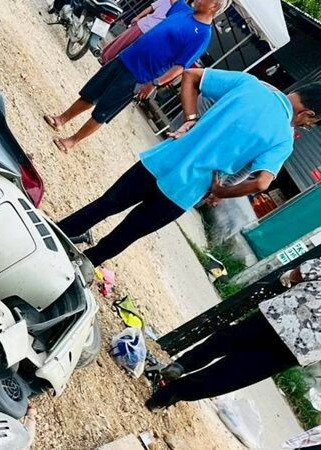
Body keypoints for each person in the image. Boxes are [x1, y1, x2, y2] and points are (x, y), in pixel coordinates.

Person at [56, 69, 321, 267]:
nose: (305, 126)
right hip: (185, 191)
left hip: (161, 161)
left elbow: (191, 75)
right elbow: (262, 183)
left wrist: (191, 119)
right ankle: (79, 266)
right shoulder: (283, 139)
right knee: (126, 234)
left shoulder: (249, 84)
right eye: (310, 123)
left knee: (105, 205)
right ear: (308, 114)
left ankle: (57, 235)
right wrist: (221, 191)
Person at [43, 0, 222, 153]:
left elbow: (180, 67)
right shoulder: (183, 10)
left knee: (104, 110)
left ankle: (72, 141)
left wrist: (155, 83)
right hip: (126, 57)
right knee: (92, 91)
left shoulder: (203, 35)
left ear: (214, 6)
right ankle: (61, 119)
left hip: (141, 75)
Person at [146, 257, 321, 412]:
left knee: (231, 338)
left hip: (282, 315)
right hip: (302, 348)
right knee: (232, 375)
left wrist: (289, 276)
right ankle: (166, 396)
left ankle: (182, 365)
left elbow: (304, 272)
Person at [100, 0, 192, 64]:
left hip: (151, 34)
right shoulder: (166, 1)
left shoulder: (181, 12)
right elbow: (151, 8)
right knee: (122, 42)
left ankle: (110, 63)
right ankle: (105, 57)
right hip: (144, 25)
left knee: (129, 51)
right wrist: (138, 17)